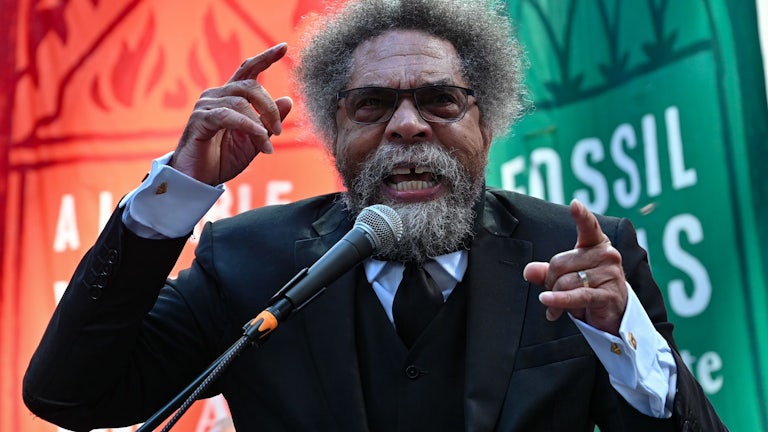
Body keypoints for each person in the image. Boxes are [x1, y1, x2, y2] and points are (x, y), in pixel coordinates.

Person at [23, 0, 727, 431]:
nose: (408, 127)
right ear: (335, 133)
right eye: (373, 106)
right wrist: (172, 194)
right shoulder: (246, 261)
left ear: (489, 124)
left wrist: (623, 338)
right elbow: (68, 394)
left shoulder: (576, 258)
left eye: (440, 101)